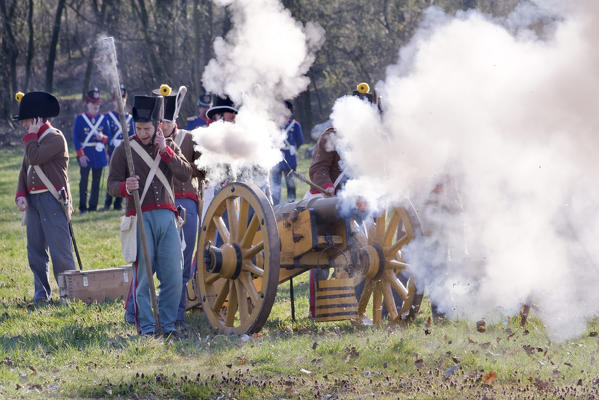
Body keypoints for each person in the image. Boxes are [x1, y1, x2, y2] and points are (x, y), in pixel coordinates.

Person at [107, 95, 192, 336]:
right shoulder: (124, 149)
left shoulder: (168, 146)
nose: (142, 133)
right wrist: (125, 186)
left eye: (147, 128)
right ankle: (146, 328)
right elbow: (111, 185)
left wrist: (166, 152)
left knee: (174, 275)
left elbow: (185, 174)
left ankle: (166, 325)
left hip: (168, 217)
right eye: (139, 128)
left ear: (157, 126)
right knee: (144, 278)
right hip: (140, 218)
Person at [14, 91, 77, 302]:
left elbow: (35, 157)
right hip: (33, 201)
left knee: (60, 251)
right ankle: (41, 295)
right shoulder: (33, 140)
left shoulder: (55, 138)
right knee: (35, 251)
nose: (23, 125)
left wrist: (31, 137)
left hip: (52, 199)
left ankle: (69, 294)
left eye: (26, 121)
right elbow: (25, 170)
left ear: (37, 119)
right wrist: (21, 194)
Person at [72, 88, 110, 214]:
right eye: (93, 103)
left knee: (96, 181)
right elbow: (76, 138)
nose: (96, 106)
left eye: (98, 103)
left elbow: (108, 137)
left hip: (99, 154)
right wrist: (80, 155)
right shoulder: (80, 118)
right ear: (87, 104)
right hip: (85, 153)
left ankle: (93, 206)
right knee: (84, 182)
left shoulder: (103, 119)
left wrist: (103, 138)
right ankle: (83, 207)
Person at [103, 84, 135, 211]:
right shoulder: (108, 117)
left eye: (123, 100)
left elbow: (132, 133)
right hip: (113, 150)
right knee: (114, 176)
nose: (120, 103)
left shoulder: (129, 118)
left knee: (125, 175)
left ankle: (118, 204)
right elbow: (106, 133)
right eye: (118, 100)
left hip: (126, 151)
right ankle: (107, 203)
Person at [270, 100, 303, 205]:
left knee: (290, 185)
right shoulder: (273, 125)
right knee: (276, 185)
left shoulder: (295, 125)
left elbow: (300, 140)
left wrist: (294, 147)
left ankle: (290, 204)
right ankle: (276, 205)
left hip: (287, 159)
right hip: (278, 158)